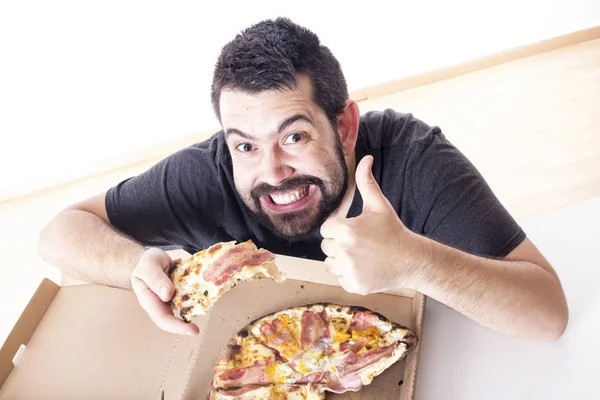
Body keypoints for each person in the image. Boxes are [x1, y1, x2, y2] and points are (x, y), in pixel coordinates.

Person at [37, 17, 568, 340]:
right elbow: (59, 233)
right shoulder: (212, 170)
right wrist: (135, 265)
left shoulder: (412, 157)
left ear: (344, 124)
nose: (271, 172)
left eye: (294, 137)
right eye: (245, 143)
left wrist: (415, 261)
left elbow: (547, 314)